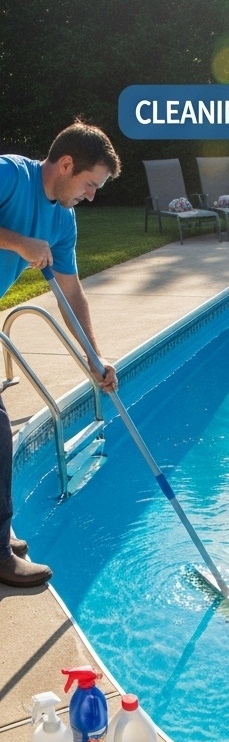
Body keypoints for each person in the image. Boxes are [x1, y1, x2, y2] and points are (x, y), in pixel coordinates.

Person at [0, 120, 120, 587]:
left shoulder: (63, 221)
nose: (91, 195)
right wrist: (18, 241)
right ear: (66, 164)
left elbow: (71, 292)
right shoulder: (11, 175)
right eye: (90, 184)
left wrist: (94, 357)